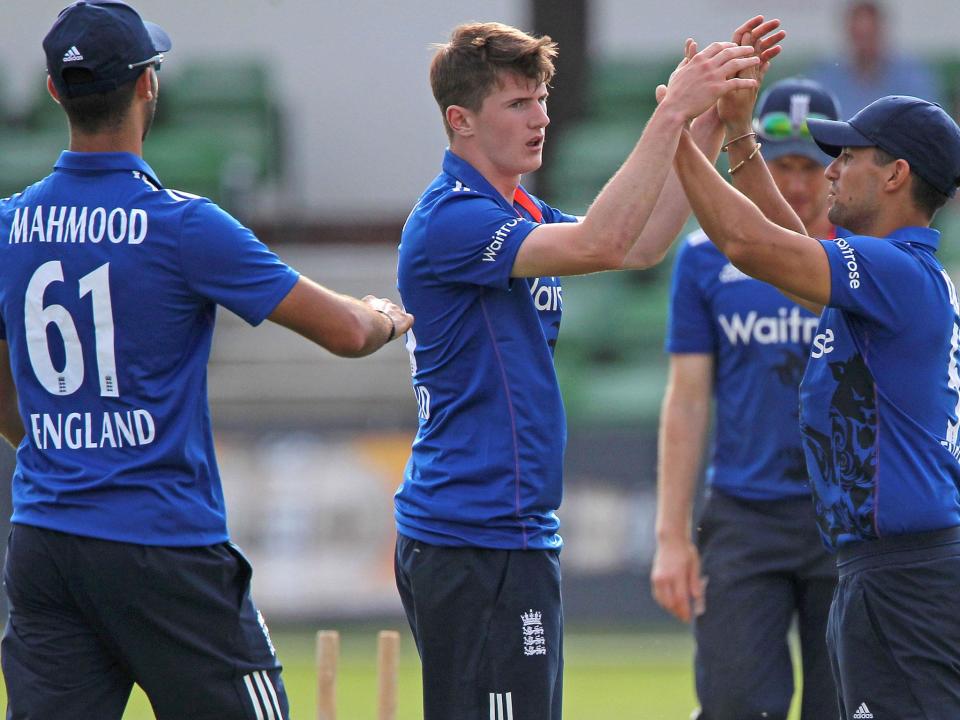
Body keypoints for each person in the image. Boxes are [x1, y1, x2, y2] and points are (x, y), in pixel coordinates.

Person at [0, 2, 413, 719]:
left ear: (55, 94)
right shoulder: (181, 223)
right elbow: (344, 332)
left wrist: (54, 448)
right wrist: (386, 315)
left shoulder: (8, 224)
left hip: (46, 541)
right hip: (161, 544)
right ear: (146, 87)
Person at [392, 17, 783, 720]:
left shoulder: (516, 210)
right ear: (461, 120)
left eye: (541, 99)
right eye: (517, 104)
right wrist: (672, 110)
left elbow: (639, 244)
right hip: (470, 535)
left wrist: (718, 122)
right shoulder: (451, 219)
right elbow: (605, 238)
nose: (540, 118)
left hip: (508, 531)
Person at [670, 32, 960, 720]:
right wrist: (739, 136)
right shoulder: (891, 275)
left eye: (849, 156)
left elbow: (750, 246)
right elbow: (787, 244)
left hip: (905, 577)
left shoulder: (892, 271)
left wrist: (677, 134)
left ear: (895, 175)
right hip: (890, 570)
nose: (831, 170)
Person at [652, 77, 841, 720]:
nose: (795, 184)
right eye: (781, 163)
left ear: (835, 168)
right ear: (754, 155)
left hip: (845, 518)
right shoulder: (705, 259)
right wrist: (672, 536)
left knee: (846, 706)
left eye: (810, 166)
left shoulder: (862, 261)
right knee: (736, 706)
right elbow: (687, 401)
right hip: (744, 516)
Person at [809, 0, 942, 117]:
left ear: (881, 31)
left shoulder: (913, 76)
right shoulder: (826, 77)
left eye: (869, 35)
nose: (864, 45)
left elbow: (928, 122)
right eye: (859, 36)